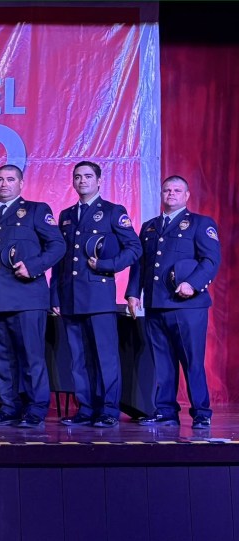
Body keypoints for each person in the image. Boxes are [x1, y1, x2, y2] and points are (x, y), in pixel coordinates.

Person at [0, 165, 66, 428]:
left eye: (10, 179)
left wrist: (33, 266)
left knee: (32, 357)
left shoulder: (36, 210)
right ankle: (9, 407)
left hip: (27, 297)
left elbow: (58, 245)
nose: (4, 184)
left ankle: (36, 409)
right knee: (1, 360)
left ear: (21, 183)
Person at [51, 161, 141, 427]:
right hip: (69, 297)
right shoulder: (66, 215)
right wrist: (54, 295)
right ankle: (86, 409)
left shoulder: (113, 211)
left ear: (99, 181)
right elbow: (60, 259)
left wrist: (107, 266)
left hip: (99, 297)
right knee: (78, 359)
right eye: (78, 177)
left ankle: (109, 411)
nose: (82, 181)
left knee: (105, 357)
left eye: (88, 176)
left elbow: (134, 248)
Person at [127, 176, 221, 429]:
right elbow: (141, 264)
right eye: (167, 190)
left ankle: (201, 412)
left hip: (187, 306)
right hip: (157, 305)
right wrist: (133, 293)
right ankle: (166, 411)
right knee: (163, 363)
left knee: (192, 361)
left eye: (177, 190)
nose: (171, 194)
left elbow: (210, 260)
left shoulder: (200, 224)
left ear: (187, 195)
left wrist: (192, 283)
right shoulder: (149, 226)